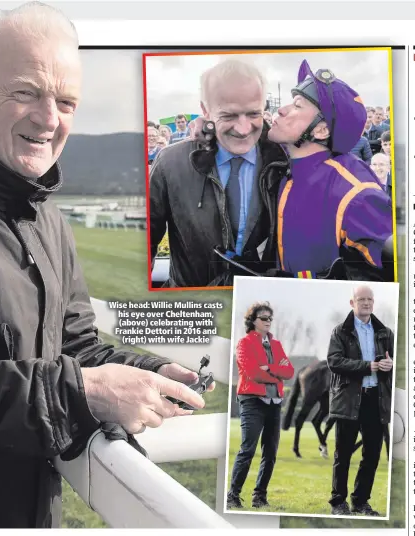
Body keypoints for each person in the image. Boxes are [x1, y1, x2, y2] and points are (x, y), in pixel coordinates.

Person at [0, 3, 208, 529]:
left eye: (66, 101)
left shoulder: (45, 216)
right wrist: (85, 393)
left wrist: (145, 373)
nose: (49, 118)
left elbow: (72, 347)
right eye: (26, 93)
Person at [149, 59, 288, 287]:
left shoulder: (284, 162)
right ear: (205, 110)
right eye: (229, 116)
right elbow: (145, 248)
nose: (243, 129)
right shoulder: (170, 163)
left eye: (254, 114)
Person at [266, 60, 393, 280]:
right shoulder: (289, 165)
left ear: (322, 130)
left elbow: (388, 279)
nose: (282, 110)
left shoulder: (357, 194)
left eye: (297, 105)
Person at [326, 285, 393, 516]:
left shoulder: (386, 333)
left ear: (373, 303)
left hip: (376, 400)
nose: (366, 303)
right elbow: (334, 362)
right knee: (342, 453)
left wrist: (390, 365)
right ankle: (338, 503)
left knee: (372, 454)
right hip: (349, 399)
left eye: (369, 300)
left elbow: (398, 364)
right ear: (352, 303)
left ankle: (360, 501)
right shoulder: (339, 332)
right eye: (361, 299)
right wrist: (368, 366)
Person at [226, 302, 294, 510]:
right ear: (253, 321)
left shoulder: (277, 345)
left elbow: (289, 372)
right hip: (252, 402)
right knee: (248, 450)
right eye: (264, 318)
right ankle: (233, 496)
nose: (268, 322)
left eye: (270, 318)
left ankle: (259, 497)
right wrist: (276, 373)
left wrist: (269, 368)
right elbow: (252, 373)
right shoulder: (244, 343)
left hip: (275, 404)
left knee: (270, 452)